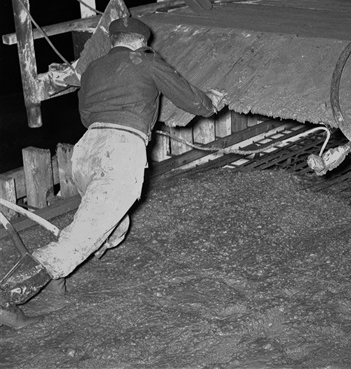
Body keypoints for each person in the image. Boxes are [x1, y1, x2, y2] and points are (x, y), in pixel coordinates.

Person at [0, 16, 227, 329]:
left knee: (116, 225)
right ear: (141, 42)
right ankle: (7, 297)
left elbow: (85, 114)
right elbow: (194, 101)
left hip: (86, 149)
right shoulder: (146, 61)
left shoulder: (92, 69)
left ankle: (61, 268)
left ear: (114, 41)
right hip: (120, 151)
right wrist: (212, 101)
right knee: (81, 237)